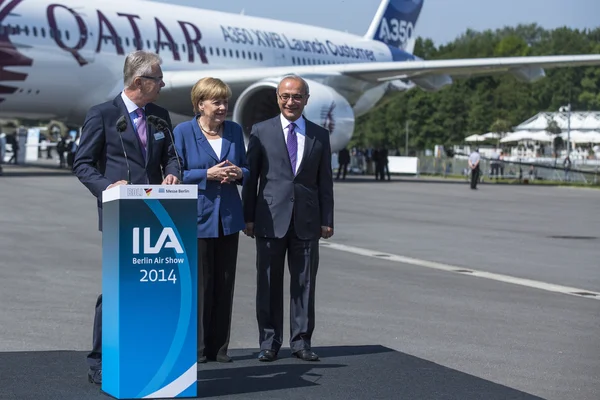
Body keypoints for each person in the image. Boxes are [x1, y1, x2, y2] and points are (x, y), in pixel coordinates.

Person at [72, 50, 181, 385]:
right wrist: (108, 187)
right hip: (122, 214)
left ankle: (145, 356)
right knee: (117, 289)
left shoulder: (160, 115)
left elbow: (172, 157)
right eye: (158, 79)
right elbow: (83, 164)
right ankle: (100, 361)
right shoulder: (103, 114)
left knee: (152, 289)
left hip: (158, 216)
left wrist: (173, 174)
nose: (162, 85)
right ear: (139, 82)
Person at [242, 75, 334, 363]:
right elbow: (251, 178)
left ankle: (301, 341)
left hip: (307, 220)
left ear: (306, 99)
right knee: (268, 283)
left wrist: (327, 219)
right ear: (278, 98)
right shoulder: (260, 131)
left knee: (305, 283)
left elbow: (325, 182)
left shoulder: (320, 135)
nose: (290, 102)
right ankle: (269, 341)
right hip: (270, 218)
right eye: (285, 96)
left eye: (296, 97)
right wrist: (248, 217)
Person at [173, 77, 249, 364]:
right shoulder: (182, 132)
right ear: (199, 104)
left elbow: (248, 169)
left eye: (225, 102)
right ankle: (198, 348)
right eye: (216, 102)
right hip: (198, 217)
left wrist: (240, 174)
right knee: (200, 285)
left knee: (225, 283)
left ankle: (220, 347)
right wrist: (207, 174)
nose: (222, 107)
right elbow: (176, 172)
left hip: (229, 218)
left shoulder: (234, 131)